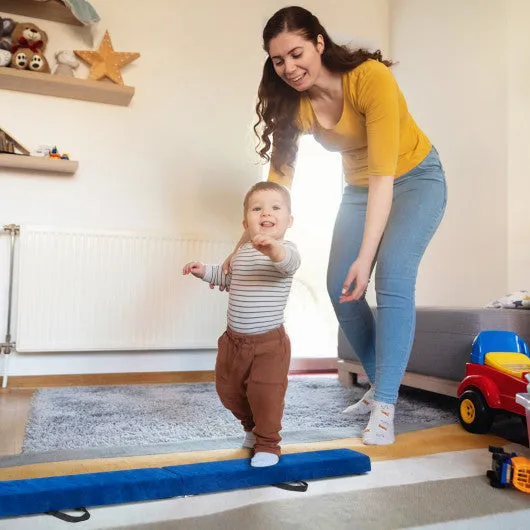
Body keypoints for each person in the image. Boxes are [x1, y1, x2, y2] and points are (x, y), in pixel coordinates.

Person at [224, 6, 447, 446]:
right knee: (341, 289)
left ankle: (384, 405)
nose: (289, 68)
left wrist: (366, 258)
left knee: (393, 275)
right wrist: (241, 249)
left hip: (415, 179)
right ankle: (382, 385)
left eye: (296, 53)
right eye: (278, 60)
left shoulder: (369, 79)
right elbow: (275, 187)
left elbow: (385, 174)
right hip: (361, 190)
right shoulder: (294, 104)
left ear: (319, 43)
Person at [183, 181, 300, 466]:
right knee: (228, 390)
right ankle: (251, 428)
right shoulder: (241, 253)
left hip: (269, 344)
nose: (265, 213)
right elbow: (228, 279)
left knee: (265, 395)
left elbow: (287, 264)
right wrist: (204, 271)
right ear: (245, 222)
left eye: (275, 208)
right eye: (256, 208)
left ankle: (269, 444)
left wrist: (272, 248)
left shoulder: (286, 250)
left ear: (289, 220)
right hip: (234, 342)